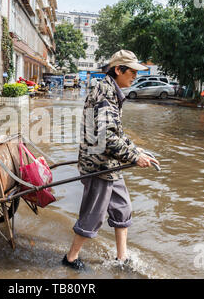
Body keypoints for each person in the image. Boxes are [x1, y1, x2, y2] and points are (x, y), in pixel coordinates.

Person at [62, 50, 159, 270]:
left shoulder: (112, 91)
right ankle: (70, 258)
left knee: (122, 208)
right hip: (98, 164)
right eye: (132, 71)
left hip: (110, 164)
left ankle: (122, 257)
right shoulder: (103, 93)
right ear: (118, 69)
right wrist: (134, 157)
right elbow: (106, 138)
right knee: (93, 215)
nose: (135, 76)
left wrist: (137, 150)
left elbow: (118, 132)